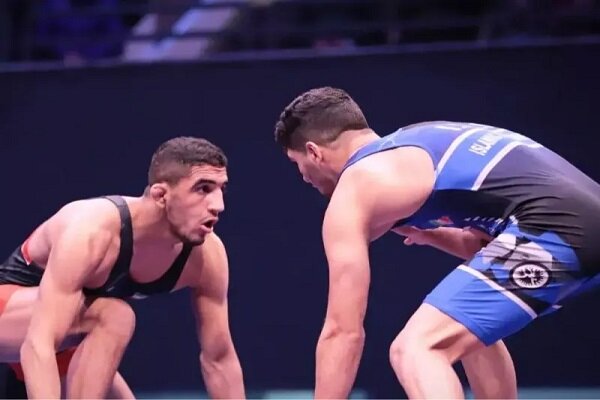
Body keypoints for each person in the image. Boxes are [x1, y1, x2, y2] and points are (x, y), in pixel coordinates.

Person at [273, 86, 600, 399]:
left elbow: (343, 331)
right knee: (467, 327)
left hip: (557, 226)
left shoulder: (356, 187)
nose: (302, 176)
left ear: (314, 152)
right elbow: (489, 247)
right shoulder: (419, 141)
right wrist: (433, 234)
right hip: (576, 222)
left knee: (417, 348)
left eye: (296, 163)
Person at [0, 136, 245, 398]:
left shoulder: (207, 255)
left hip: (63, 341)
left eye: (221, 189)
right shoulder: (91, 230)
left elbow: (219, 358)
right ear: (161, 195)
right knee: (115, 316)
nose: (218, 205)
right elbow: (39, 342)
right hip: (20, 322)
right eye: (203, 189)